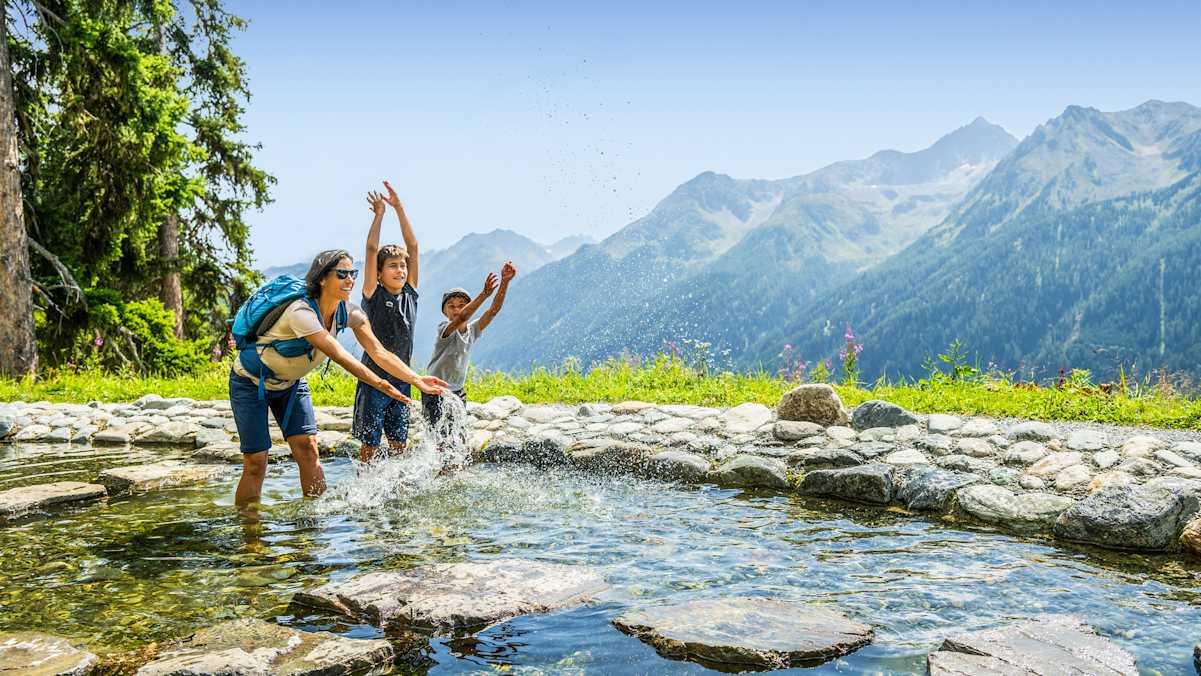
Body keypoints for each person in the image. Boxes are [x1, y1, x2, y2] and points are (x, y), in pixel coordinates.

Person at [229, 249, 447, 508]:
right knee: (256, 462)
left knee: (309, 450)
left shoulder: (350, 313)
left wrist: (416, 379)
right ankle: (249, 531)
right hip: (251, 383)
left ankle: (314, 522)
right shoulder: (300, 312)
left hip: (291, 385)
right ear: (322, 278)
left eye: (352, 273)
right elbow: (341, 355)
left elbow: (378, 351)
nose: (350, 280)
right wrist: (380, 384)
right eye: (341, 274)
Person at [352, 181, 421, 463]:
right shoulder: (373, 293)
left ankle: (394, 492)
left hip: (403, 378)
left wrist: (399, 208)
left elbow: (413, 247)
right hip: (374, 380)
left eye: (402, 265)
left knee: (398, 445)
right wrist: (379, 215)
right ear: (379, 273)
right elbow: (371, 250)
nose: (400, 269)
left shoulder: (411, 293)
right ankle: (362, 486)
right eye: (392, 266)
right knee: (369, 445)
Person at [423, 261, 517, 426]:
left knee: (457, 433)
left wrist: (505, 282)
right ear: (444, 311)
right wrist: (484, 294)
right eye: (451, 306)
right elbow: (462, 318)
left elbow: (493, 311)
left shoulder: (473, 331)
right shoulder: (444, 330)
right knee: (436, 437)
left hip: (457, 390)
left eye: (461, 305)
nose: (456, 310)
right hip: (434, 390)